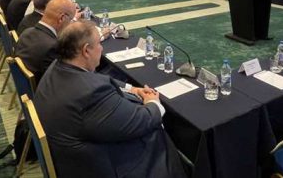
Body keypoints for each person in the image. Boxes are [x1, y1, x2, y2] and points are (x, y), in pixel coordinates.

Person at [35, 20, 187, 178]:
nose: (101, 48)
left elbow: (96, 78)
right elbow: (141, 121)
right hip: (97, 166)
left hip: (69, 154)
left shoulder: (58, 66)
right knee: (157, 131)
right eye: (99, 43)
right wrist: (153, 103)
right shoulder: (91, 94)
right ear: (86, 50)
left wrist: (132, 89)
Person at [15, 0, 75, 81]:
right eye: (71, 20)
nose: (71, 24)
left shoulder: (26, 32)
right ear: (62, 18)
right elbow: (62, 80)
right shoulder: (53, 47)